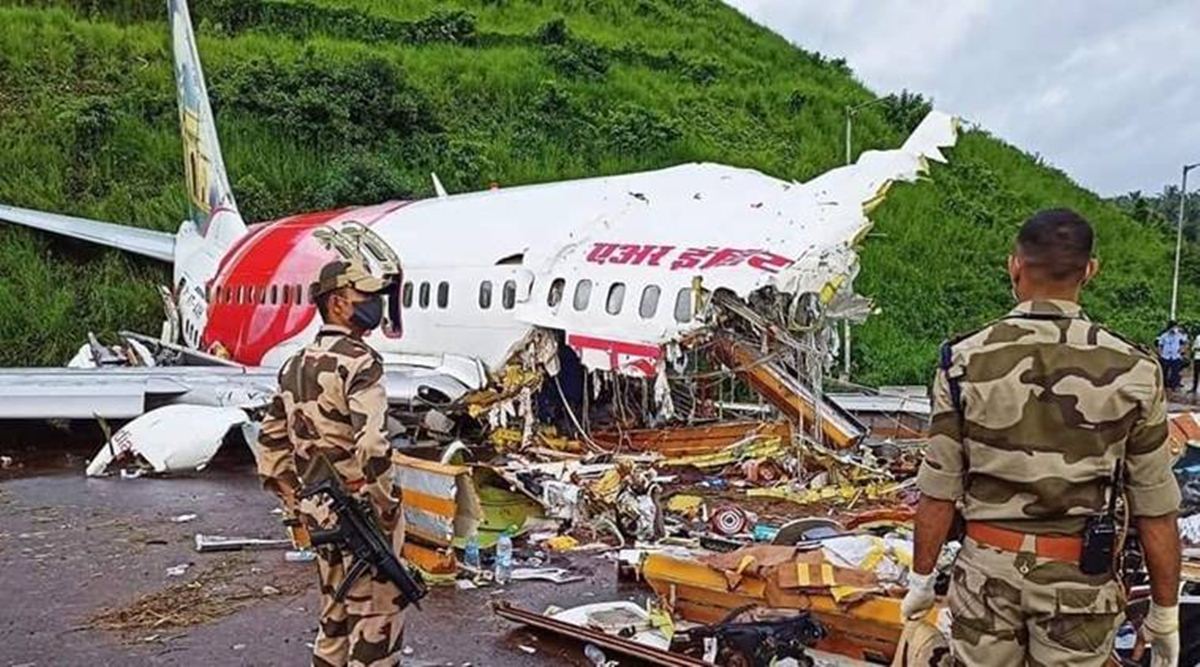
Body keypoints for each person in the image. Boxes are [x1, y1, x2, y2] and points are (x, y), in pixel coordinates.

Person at [902, 209, 1182, 666]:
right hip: (1079, 586)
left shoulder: (963, 361)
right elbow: (1155, 507)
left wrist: (921, 580)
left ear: (1015, 265)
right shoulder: (1136, 369)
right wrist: (1164, 612)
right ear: (1090, 270)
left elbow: (938, 490)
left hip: (985, 578)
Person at [256, 259, 405, 667]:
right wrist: (386, 505)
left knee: (335, 615)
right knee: (376, 622)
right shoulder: (360, 362)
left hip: (321, 512)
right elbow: (373, 445)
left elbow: (270, 443)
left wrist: (295, 504)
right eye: (366, 297)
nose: (374, 305)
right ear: (338, 303)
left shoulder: (294, 364)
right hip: (361, 510)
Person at [1157, 320, 1189, 391]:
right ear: (1170, 327)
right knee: (1164, 372)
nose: (1175, 328)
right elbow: (1160, 345)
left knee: (1175, 372)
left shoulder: (1179, 335)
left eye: (1176, 327)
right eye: (1174, 327)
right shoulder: (1164, 335)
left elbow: (1186, 343)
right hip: (1165, 356)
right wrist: (1160, 354)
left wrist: (1183, 350)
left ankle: (1174, 386)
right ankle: (1164, 386)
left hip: (1175, 356)